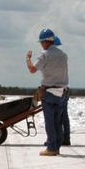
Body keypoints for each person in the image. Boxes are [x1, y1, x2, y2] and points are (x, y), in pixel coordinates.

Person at [26, 28, 68, 156]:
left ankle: (51, 148)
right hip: (62, 92)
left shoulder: (45, 54)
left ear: (44, 42)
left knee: (49, 121)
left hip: (49, 92)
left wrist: (28, 59)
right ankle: (57, 147)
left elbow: (33, 69)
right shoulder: (63, 54)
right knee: (58, 121)